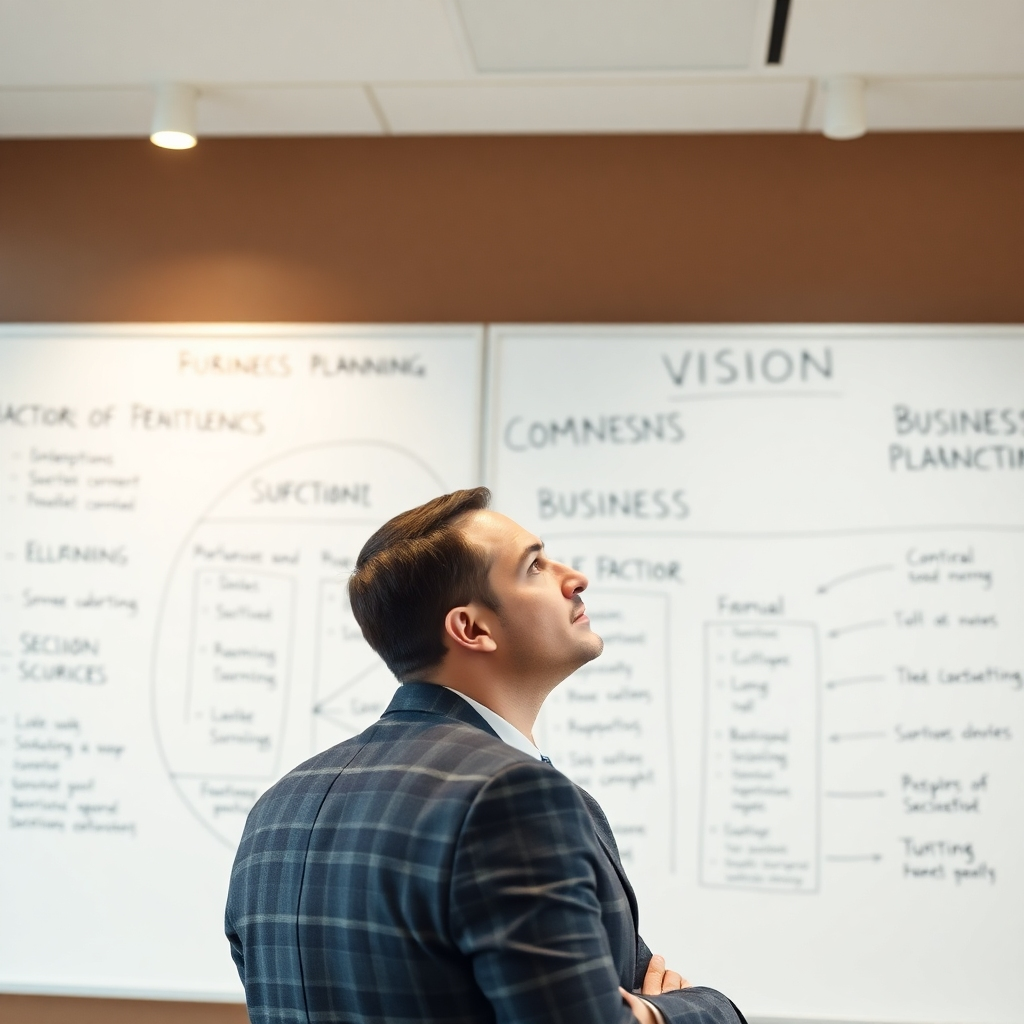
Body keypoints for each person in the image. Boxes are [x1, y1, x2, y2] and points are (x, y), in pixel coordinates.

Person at [226, 487, 746, 1024]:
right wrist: (680, 1013)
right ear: (471, 628)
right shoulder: (511, 797)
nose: (575, 578)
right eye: (534, 566)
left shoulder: (276, 809)